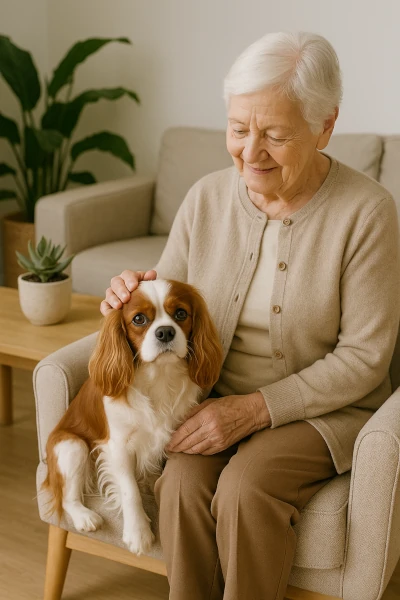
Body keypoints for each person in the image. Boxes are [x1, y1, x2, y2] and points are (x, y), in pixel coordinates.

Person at [100, 31, 400, 600]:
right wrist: (126, 292)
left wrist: (256, 410)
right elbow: (164, 300)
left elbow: (365, 358)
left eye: (276, 135)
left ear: (325, 127)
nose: (250, 152)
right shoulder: (207, 198)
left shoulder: (368, 213)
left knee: (245, 487)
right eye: (238, 130)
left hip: (323, 411)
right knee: (183, 483)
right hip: (211, 399)